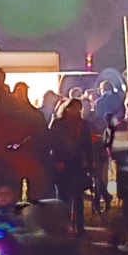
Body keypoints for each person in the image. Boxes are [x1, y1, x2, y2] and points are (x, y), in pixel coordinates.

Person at [49, 98, 97, 234]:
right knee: (63, 197)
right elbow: (53, 143)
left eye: (78, 108)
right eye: (73, 108)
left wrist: (90, 161)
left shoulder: (82, 124)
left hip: (77, 164)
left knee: (77, 196)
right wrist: (57, 160)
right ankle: (63, 225)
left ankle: (79, 226)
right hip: (62, 164)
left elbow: (88, 145)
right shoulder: (58, 123)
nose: (76, 111)